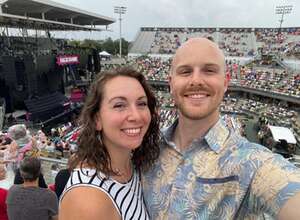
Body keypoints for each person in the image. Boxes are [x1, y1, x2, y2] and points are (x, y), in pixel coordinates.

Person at [142, 37, 300, 219]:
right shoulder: (146, 148)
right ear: (170, 83)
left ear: (226, 82)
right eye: (185, 72)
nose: (196, 80)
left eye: (209, 71)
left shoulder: (252, 161)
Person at [59, 66, 160, 220]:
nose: (136, 116)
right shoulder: (88, 201)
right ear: (96, 119)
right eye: (119, 105)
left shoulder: (135, 165)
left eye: (141, 104)